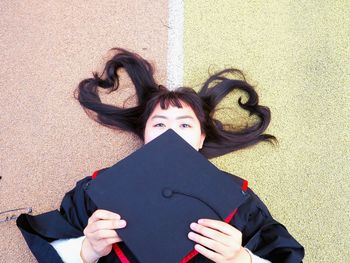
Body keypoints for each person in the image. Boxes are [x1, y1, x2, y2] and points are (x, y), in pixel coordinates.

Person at [17, 48, 304, 263]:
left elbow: (283, 254)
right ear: (144, 136)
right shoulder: (101, 190)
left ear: (201, 137)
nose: (171, 133)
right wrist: (86, 250)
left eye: (184, 124)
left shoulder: (238, 199)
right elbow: (52, 240)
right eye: (159, 124)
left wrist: (242, 258)